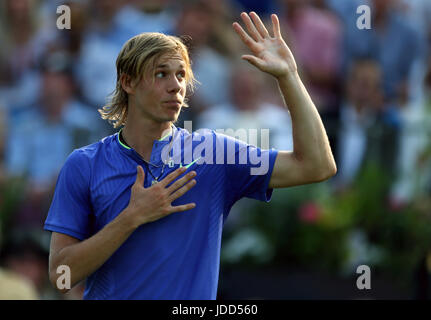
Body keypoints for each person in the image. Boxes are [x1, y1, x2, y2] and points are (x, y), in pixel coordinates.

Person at [44, 12, 336, 300]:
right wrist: (131, 218)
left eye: (181, 75)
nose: (175, 86)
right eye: (161, 74)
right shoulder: (83, 164)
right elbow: (61, 276)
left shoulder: (214, 154)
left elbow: (316, 165)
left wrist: (289, 77)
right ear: (128, 82)